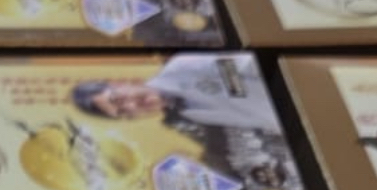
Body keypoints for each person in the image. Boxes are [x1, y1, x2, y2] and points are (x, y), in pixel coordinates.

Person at [71, 52, 283, 134]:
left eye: (117, 99)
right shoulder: (192, 116)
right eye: (124, 112)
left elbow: (251, 64)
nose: (131, 105)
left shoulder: (183, 66)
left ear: (119, 83)